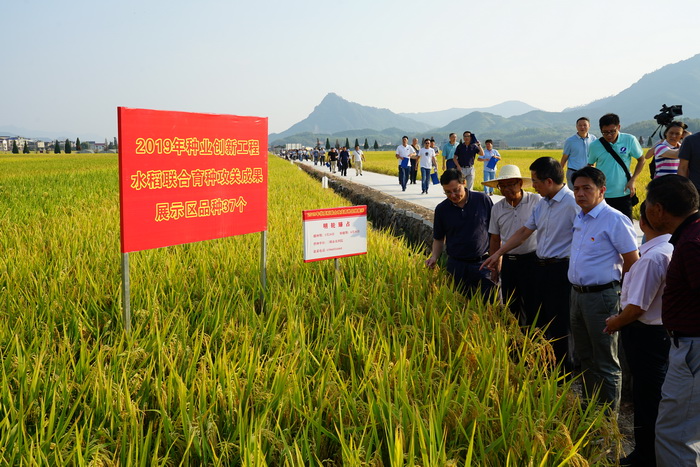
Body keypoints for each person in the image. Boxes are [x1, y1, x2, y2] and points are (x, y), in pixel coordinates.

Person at [482, 157, 578, 370]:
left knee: (559, 319)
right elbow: (524, 232)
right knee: (537, 316)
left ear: (549, 181)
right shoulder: (543, 204)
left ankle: (565, 369)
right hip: (539, 267)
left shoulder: (572, 203)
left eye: (535, 181)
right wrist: (497, 255)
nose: (533, 185)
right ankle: (543, 361)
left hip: (560, 268)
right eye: (503, 185)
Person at [603, 201, 672, 466]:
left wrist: (616, 322)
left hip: (646, 335)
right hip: (661, 335)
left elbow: (636, 307)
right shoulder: (671, 248)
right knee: (654, 395)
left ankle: (646, 456)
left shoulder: (652, 257)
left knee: (647, 397)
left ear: (643, 222)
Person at [567, 166, 639, 413]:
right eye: (576, 188)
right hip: (577, 295)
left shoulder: (615, 219)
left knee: (606, 361)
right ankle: (590, 410)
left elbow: (632, 260)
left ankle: (607, 421)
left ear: (602, 190)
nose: (580, 193)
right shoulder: (580, 217)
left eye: (587, 188)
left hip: (603, 297)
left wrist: (624, 297)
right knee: (585, 357)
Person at [643, 175, 700, 466]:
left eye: (648, 202)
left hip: (693, 349)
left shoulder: (691, 242)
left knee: (675, 435)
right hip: (690, 346)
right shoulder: (692, 234)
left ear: (658, 210)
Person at [483, 165, 541, 326]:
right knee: (510, 305)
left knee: (533, 304)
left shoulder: (536, 201)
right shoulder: (497, 208)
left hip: (533, 261)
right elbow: (495, 239)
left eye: (511, 184)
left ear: (520, 184)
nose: (507, 189)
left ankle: (534, 342)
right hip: (509, 262)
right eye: (503, 185)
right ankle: (515, 344)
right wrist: (495, 267)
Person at [425, 169, 494, 297]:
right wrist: (434, 257)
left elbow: (494, 232)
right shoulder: (442, 209)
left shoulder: (482, 200)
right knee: (459, 306)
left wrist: (496, 257)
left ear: (464, 183)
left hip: (483, 264)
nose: (453, 195)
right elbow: (439, 238)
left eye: (456, 190)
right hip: (456, 266)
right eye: (448, 192)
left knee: (490, 304)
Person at [587, 113, 645, 220]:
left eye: (612, 131)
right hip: (602, 195)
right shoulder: (595, 145)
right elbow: (590, 165)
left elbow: (641, 160)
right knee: (603, 228)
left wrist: (633, 180)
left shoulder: (629, 140)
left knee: (626, 227)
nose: (609, 135)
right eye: (605, 132)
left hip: (624, 192)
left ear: (619, 127)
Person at [561, 117, 597, 190]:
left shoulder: (593, 139)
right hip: (573, 172)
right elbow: (565, 157)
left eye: (585, 125)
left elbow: (595, 154)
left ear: (589, 126)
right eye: (580, 125)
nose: (582, 127)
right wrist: (558, 171)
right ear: (576, 127)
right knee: (574, 196)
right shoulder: (570, 141)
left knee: (588, 195)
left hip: (588, 173)